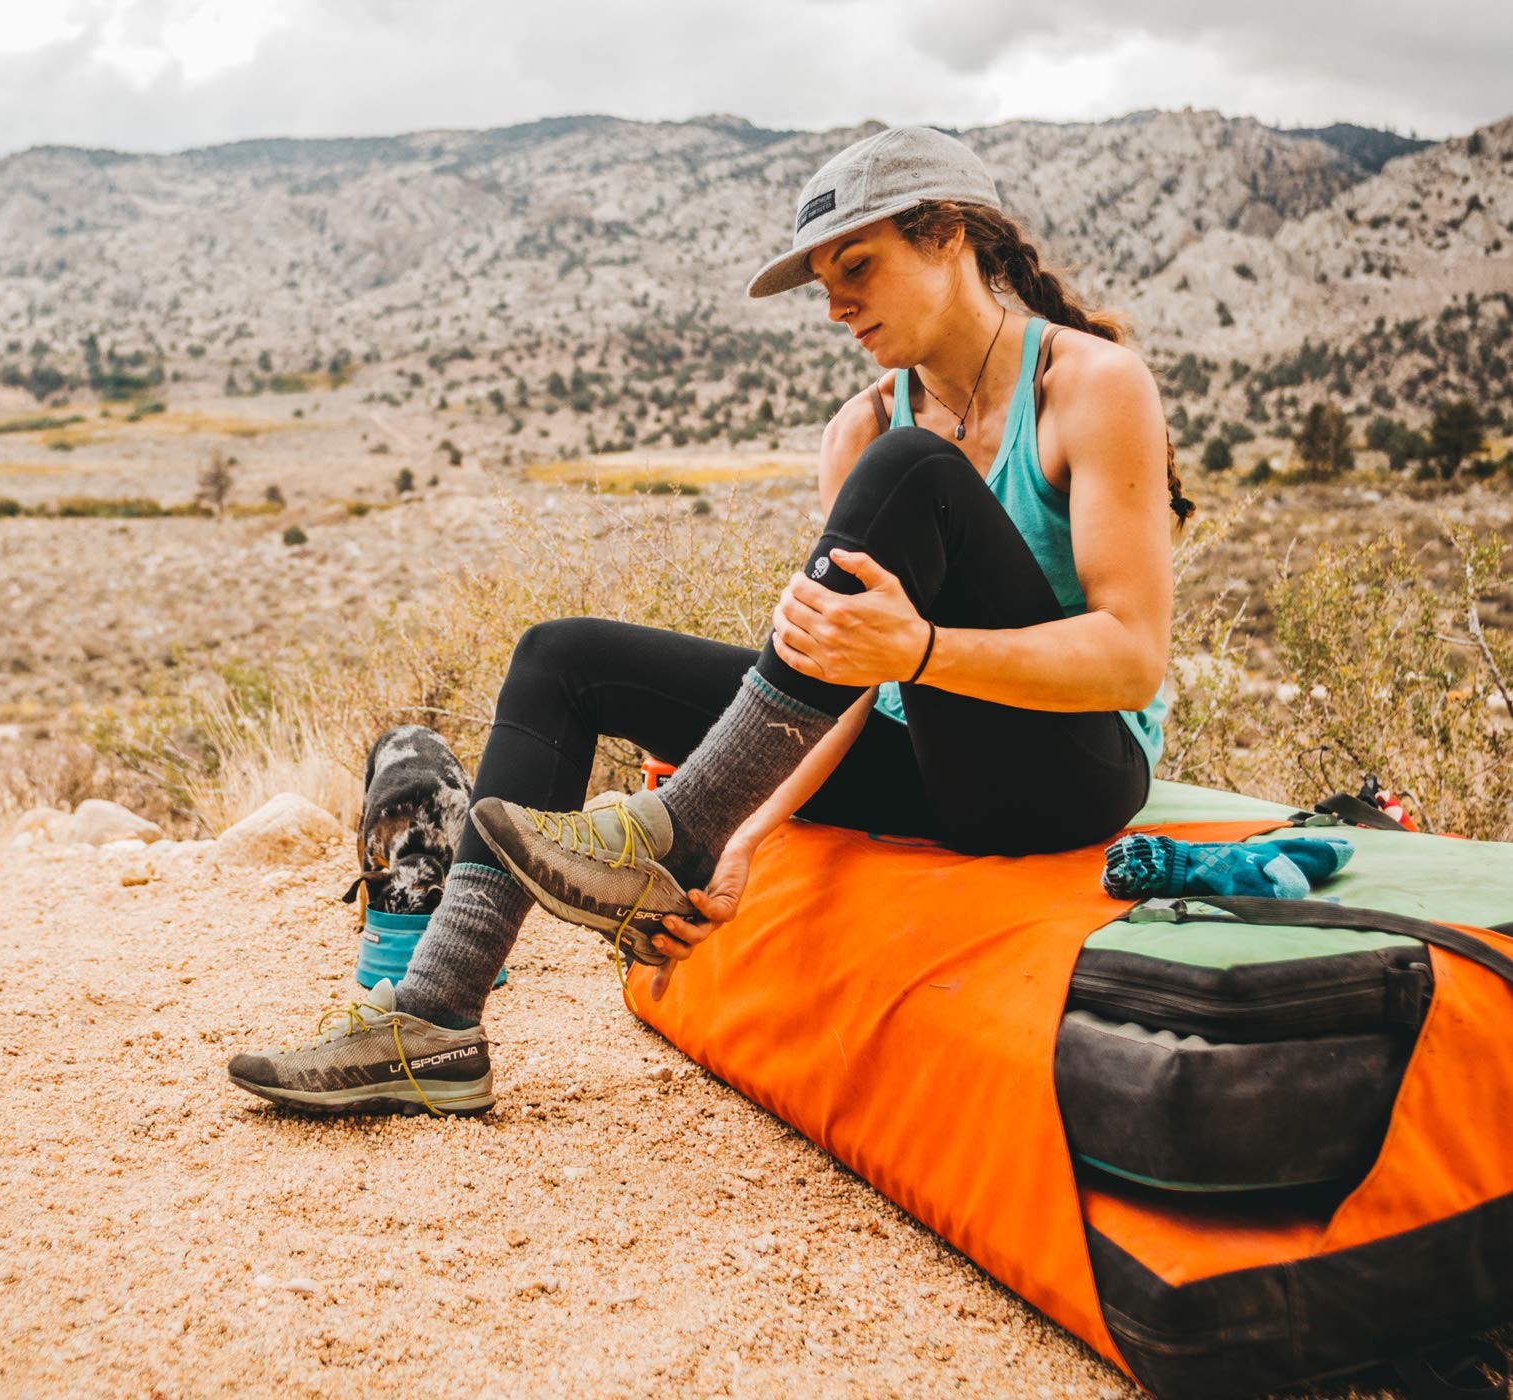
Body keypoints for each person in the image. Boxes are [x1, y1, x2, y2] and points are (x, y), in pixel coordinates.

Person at [226, 125, 1192, 1116]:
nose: (835, 304)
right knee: (561, 658)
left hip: (1068, 773)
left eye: (857, 266)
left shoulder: (1085, 386)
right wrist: (743, 843)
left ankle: (676, 825)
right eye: (823, 279)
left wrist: (927, 650)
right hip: (922, 765)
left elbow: (1128, 659)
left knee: (913, 471)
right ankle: (434, 1019)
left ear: (949, 234)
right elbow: (838, 679)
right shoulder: (858, 425)